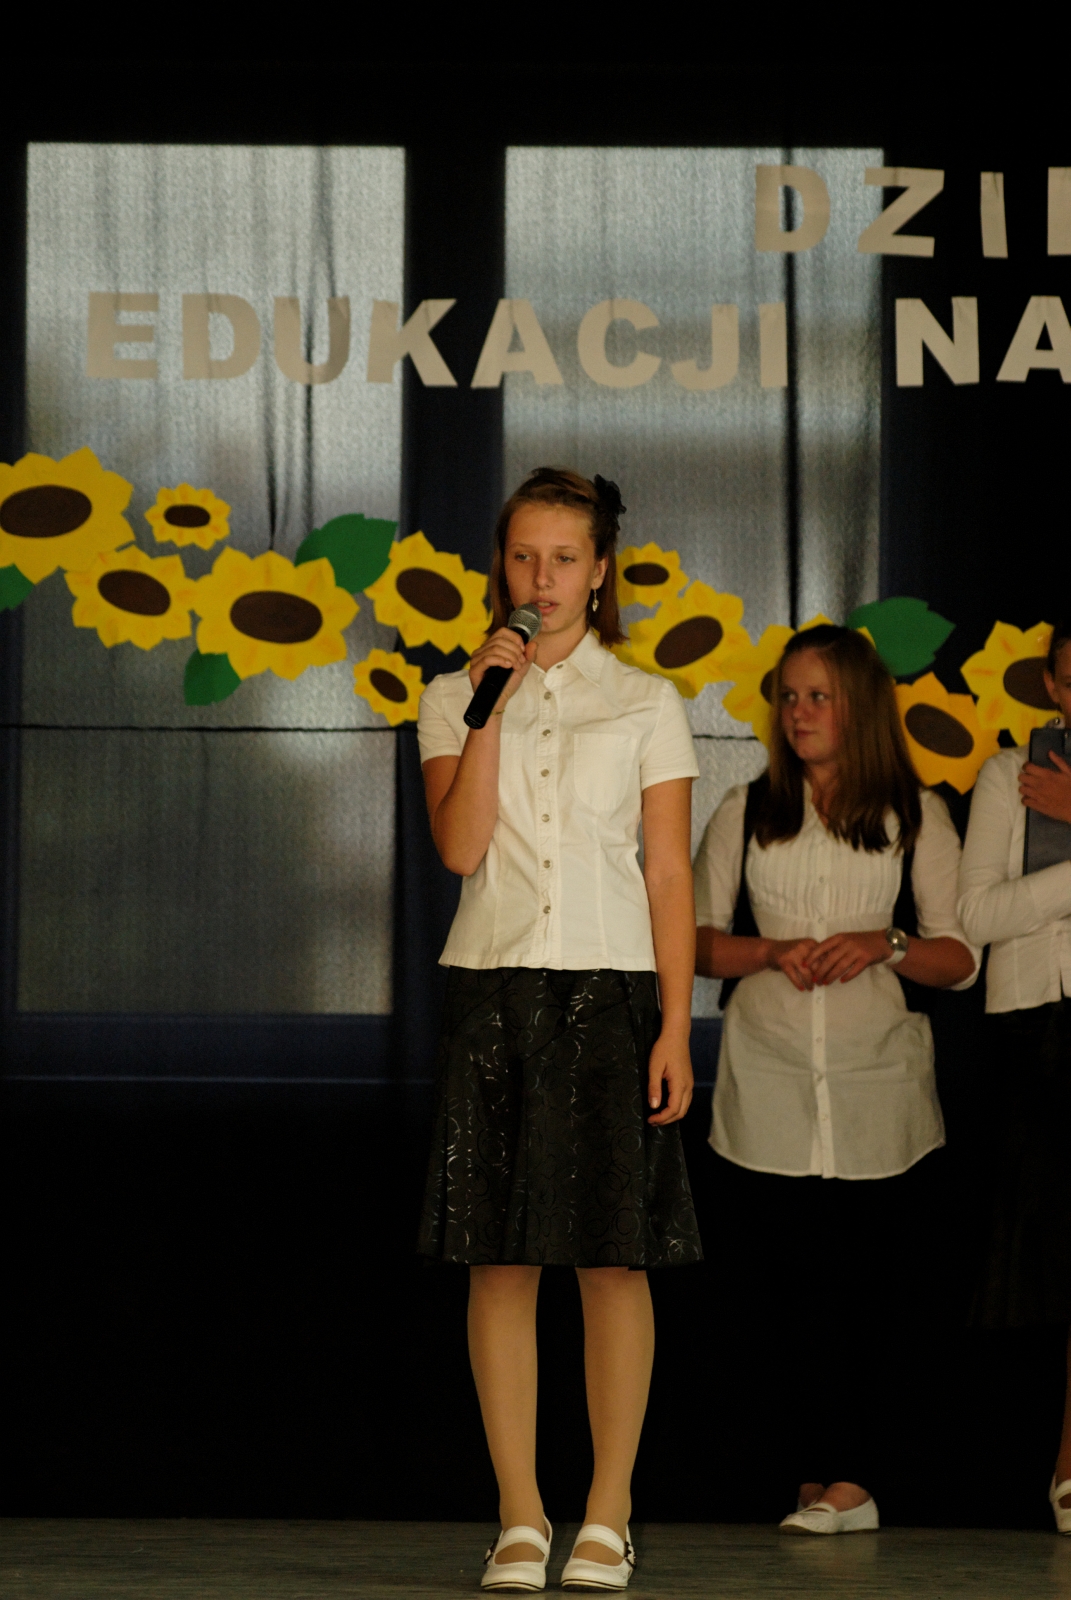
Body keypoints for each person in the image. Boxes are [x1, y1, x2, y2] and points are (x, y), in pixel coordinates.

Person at [416, 467, 702, 1592]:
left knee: (613, 1261)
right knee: (499, 1261)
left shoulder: (645, 700)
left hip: (612, 993)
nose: (542, 578)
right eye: (524, 556)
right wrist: (489, 702)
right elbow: (459, 847)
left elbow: (668, 872)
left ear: (599, 570)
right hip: (492, 993)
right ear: (502, 566)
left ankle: (608, 1513)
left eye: (564, 558)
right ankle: (519, 1516)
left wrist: (676, 1025)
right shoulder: (453, 694)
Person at [693, 624, 978, 1535]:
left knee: (867, 1292)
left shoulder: (916, 813)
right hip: (768, 1083)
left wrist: (882, 943)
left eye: (817, 696)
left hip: (875, 1090)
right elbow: (693, 943)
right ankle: (823, 1479)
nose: (798, 711)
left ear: (859, 708)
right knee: (789, 1291)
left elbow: (958, 959)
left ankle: (851, 1481)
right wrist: (770, 951)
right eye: (788, 696)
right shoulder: (744, 808)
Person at [958, 619, 1071, 1534]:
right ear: (1050, 684)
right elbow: (976, 917)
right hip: (1036, 1027)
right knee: (1052, 1257)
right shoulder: (1008, 774)